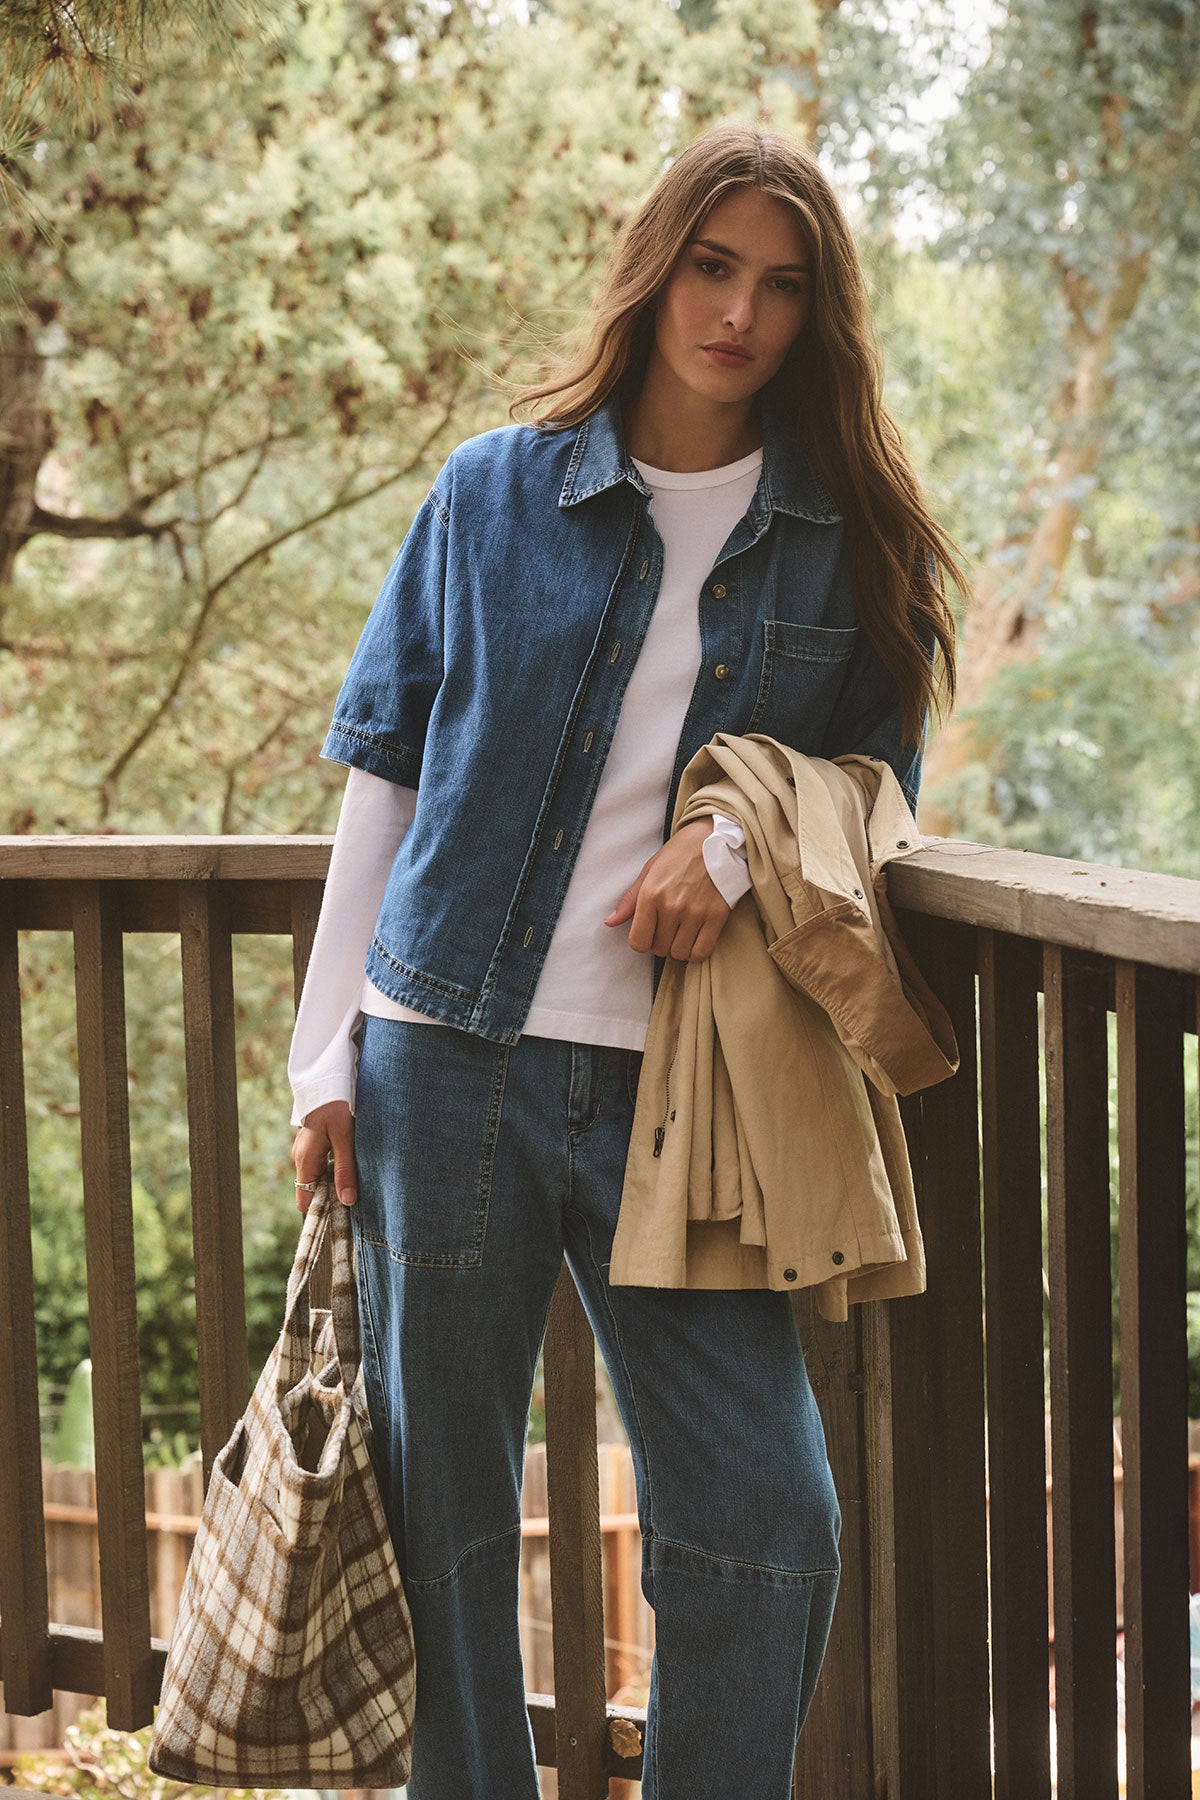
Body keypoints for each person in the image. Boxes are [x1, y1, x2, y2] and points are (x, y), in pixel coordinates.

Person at [288, 123, 963, 1800]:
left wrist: (732, 847)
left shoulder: (837, 529)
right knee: (442, 1500)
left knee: (766, 1518)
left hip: (692, 1093)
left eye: (782, 285)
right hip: (445, 1057)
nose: (737, 312)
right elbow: (385, 782)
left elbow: (880, 790)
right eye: (714, 266)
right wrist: (323, 1065)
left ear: (819, 317)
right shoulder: (492, 493)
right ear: (658, 267)